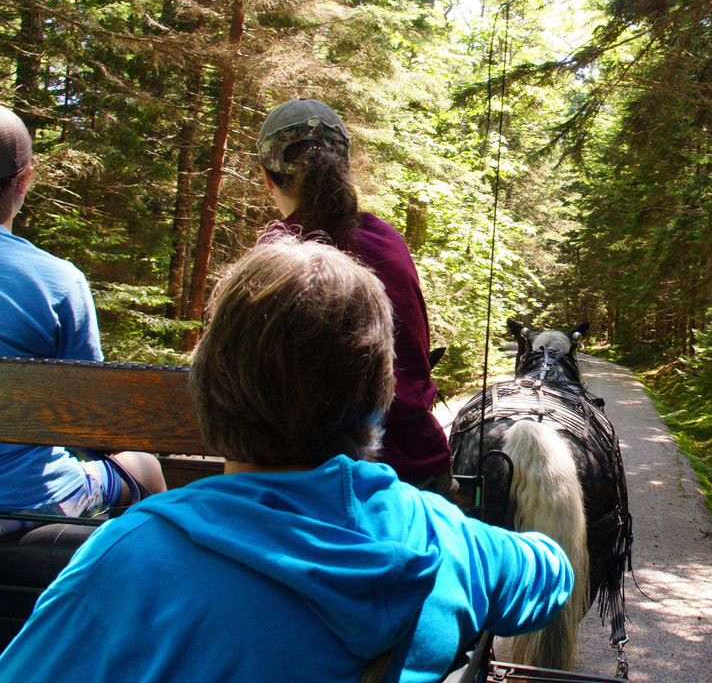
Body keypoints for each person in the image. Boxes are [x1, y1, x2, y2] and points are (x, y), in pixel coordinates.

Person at [0, 238, 574, 682]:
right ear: (378, 402)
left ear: (206, 392)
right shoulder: (445, 543)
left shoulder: (123, 565)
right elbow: (552, 570)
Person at [254, 97, 455, 494]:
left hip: (304, 482)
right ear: (344, 168)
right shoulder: (389, 240)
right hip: (414, 470)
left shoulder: (276, 251)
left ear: (267, 175)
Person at [0, 105, 165, 527]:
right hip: (27, 499)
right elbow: (91, 425)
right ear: (25, 181)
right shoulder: (56, 282)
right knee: (143, 465)